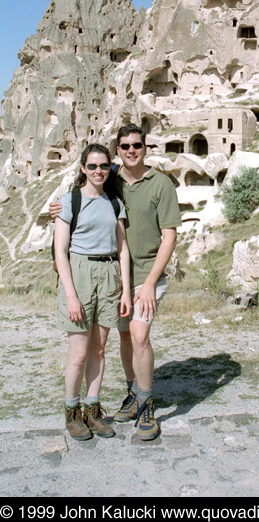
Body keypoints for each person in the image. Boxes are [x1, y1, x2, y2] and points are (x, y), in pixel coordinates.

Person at [51, 125, 181, 441]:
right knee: (119, 339)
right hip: (112, 278)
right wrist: (57, 208)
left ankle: (145, 404)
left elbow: (169, 236)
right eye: (124, 146)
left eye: (137, 144)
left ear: (145, 147)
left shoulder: (160, 184)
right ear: (117, 151)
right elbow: (78, 205)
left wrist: (149, 283)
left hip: (144, 277)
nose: (131, 150)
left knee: (136, 336)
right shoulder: (113, 181)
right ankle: (129, 394)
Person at [54, 143, 131, 441]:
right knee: (78, 354)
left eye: (103, 166)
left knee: (99, 349)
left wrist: (124, 290)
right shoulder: (71, 200)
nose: (98, 171)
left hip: (109, 274)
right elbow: (61, 250)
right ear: (83, 168)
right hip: (80, 272)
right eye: (92, 166)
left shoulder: (115, 203)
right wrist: (71, 295)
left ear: (109, 168)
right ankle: (72, 412)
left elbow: (122, 250)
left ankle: (93, 410)